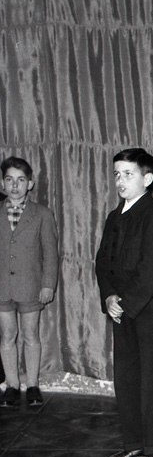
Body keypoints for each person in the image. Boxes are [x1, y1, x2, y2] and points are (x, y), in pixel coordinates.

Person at [95, 149, 153, 457]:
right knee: (127, 378)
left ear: (148, 178)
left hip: (148, 310)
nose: (120, 180)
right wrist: (109, 296)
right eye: (117, 174)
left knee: (152, 380)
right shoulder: (115, 216)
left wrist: (126, 302)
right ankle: (135, 442)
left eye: (128, 174)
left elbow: (152, 267)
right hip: (122, 310)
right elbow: (103, 261)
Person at [0, 157, 58, 408]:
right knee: (7, 336)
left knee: (31, 334)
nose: (15, 186)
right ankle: (12, 385)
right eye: (10, 180)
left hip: (32, 286)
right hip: (2, 287)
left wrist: (48, 284)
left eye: (21, 180)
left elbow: (50, 253)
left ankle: (32, 384)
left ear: (30, 184)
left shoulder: (42, 214)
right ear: (2, 183)